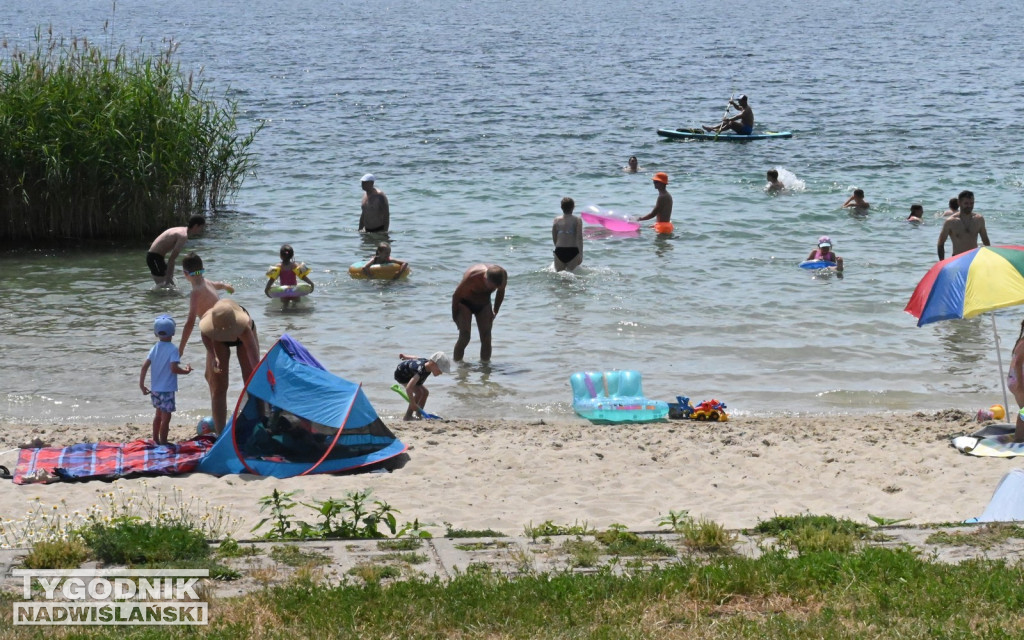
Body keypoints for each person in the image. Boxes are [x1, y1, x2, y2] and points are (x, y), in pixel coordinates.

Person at [199, 299, 260, 433]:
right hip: (217, 340)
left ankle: (258, 424)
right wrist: (213, 355)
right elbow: (205, 336)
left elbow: (253, 355)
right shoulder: (210, 324)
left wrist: (258, 374)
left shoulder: (245, 325)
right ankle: (220, 432)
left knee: (252, 381)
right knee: (219, 386)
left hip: (243, 340)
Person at [139, 315, 193, 445]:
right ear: (173, 333)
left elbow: (144, 367)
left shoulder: (154, 348)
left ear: (155, 333)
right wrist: (186, 371)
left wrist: (141, 384)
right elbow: (173, 368)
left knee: (158, 415)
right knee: (166, 417)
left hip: (155, 389)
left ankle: (155, 439)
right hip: (167, 390)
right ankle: (163, 441)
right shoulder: (173, 349)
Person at [178, 252, 235, 357]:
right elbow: (219, 285)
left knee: (212, 366)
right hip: (226, 323)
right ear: (202, 269)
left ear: (185, 274)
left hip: (213, 331)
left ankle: (214, 362)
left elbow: (190, 322)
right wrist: (227, 287)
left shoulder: (195, 293)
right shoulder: (207, 282)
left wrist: (181, 348)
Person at [452, 264, 507, 362]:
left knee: (486, 337)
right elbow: (456, 296)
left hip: (484, 303)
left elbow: (501, 292)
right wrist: (455, 317)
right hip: (465, 303)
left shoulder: (502, 276)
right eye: (492, 287)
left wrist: (495, 310)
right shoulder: (472, 276)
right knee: (465, 336)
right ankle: (458, 366)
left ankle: (485, 369)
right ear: (485, 278)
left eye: (495, 287)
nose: (494, 289)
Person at [146, 214, 205, 287]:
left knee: (169, 286)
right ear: (196, 226)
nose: (202, 230)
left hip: (157, 258)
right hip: (154, 258)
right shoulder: (183, 236)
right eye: (201, 227)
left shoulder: (180, 229)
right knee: (164, 286)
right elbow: (171, 259)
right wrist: (168, 279)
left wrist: (169, 277)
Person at [394, 351, 452, 420]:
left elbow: (415, 358)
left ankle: (419, 414)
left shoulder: (427, 364)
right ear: (433, 364)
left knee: (425, 392)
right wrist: (413, 403)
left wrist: (405, 357)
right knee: (419, 393)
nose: (441, 372)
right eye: (441, 369)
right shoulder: (420, 371)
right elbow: (408, 388)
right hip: (403, 375)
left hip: (411, 374)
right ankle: (408, 416)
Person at [937, 190, 990, 260]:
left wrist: (989, 258)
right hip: (958, 259)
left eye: (972, 203)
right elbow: (940, 244)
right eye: (966, 203)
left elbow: (985, 240)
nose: (969, 206)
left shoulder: (979, 219)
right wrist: (942, 262)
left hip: (974, 259)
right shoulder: (950, 222)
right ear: (959, 203)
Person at [552, 197, 583, 272]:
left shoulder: (556, 220)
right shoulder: (577, 220)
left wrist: (557, 249)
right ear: (573, 207)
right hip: (573, 251)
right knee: (571, 277)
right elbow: (579, 238)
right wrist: (580, 254)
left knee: (559, 276)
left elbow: (554, 236)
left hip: (559, 250)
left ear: (561, 207)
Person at [1010, 320, 1024, 442]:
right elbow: (1018, 363)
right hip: (1018, 381)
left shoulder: (1021, 341)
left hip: (1015, 380)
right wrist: (1020, 384)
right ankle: (1019, 438)